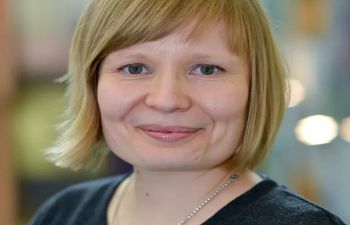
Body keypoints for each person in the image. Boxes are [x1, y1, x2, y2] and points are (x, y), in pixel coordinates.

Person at [29, 0, 346, 224]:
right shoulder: (62, 214)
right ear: (93, 83)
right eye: (135, 67)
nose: (167, 99)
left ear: (255, 86)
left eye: (207, 69)